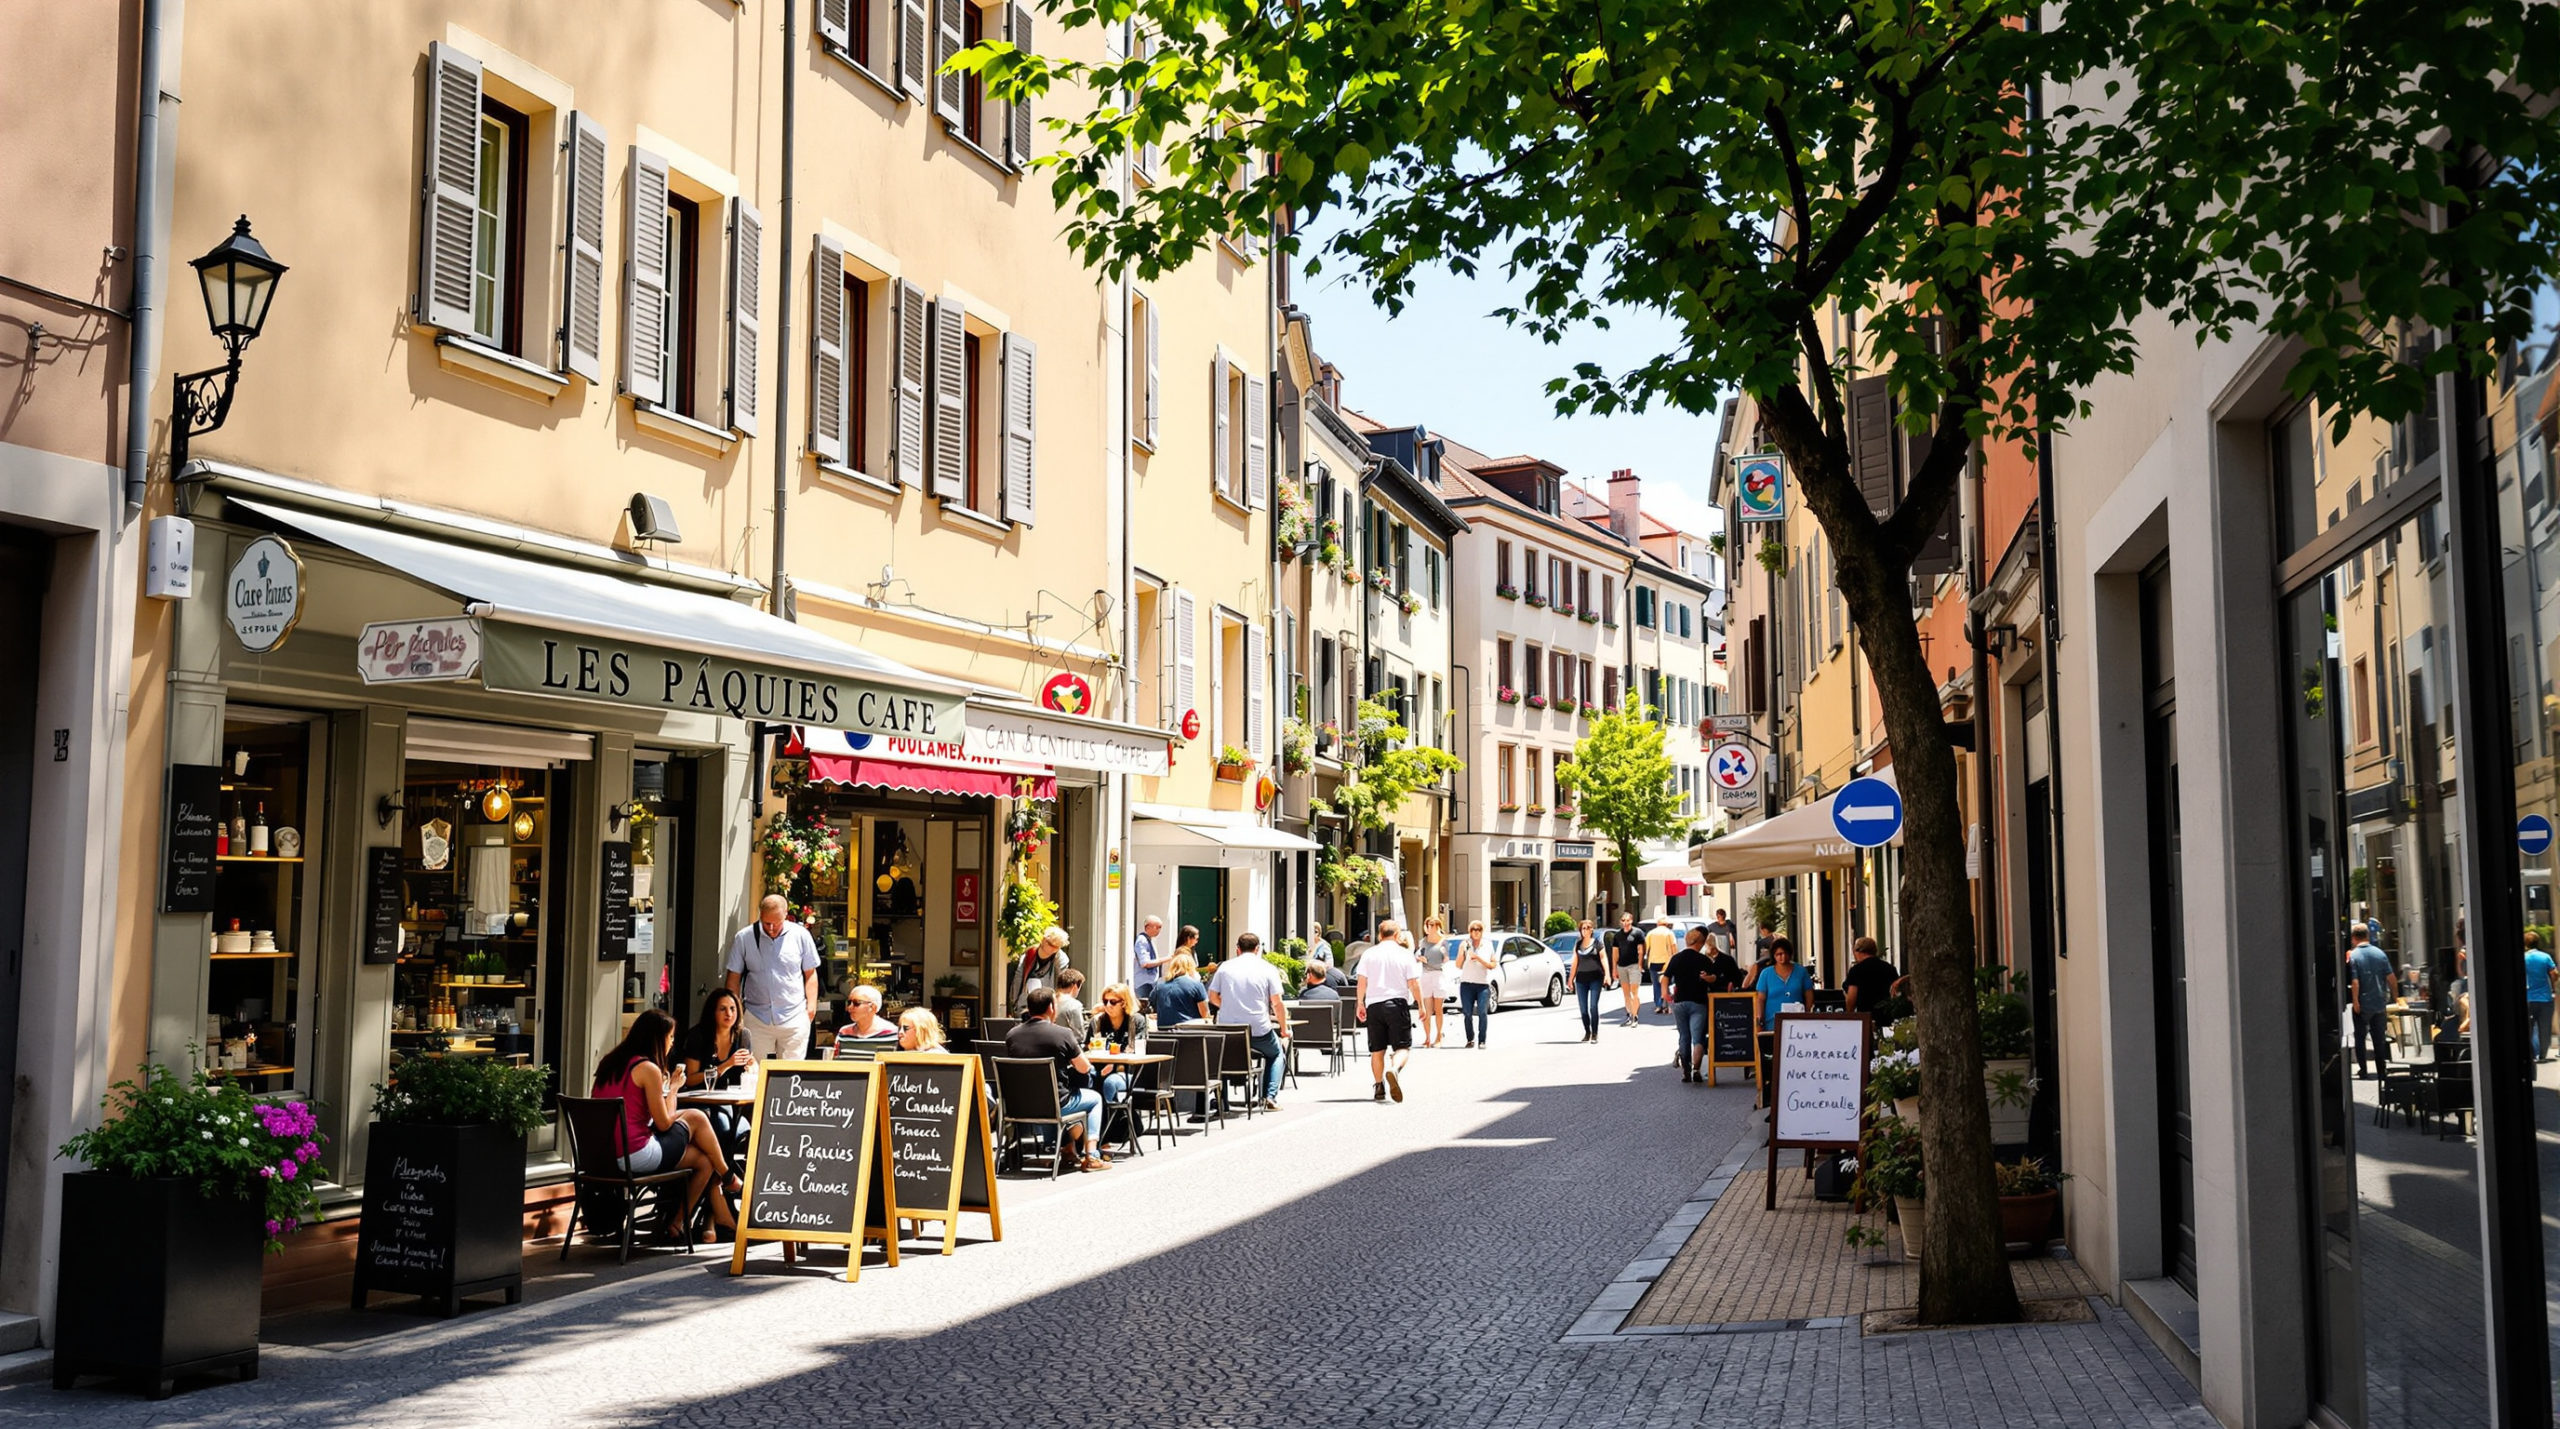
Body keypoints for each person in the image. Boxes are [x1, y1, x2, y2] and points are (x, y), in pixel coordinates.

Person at [592, 1009, 735, 1241]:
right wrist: (675, 1088)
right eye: (670, 1037)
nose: (672, 1043)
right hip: (635, 1155)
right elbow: (665, 1123)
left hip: (603, 1156)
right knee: (697, 1117)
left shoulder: (610, 1064)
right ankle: (728, 1177)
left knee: (703, 1160)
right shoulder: (648, 1069)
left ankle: (678, 1222)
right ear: (657, 1039)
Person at [1003, 988, 1110, 1171]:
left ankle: (1067, 1150)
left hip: (1018, 1106)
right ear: (1052, 1007)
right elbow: (1083, 1068)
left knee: (1049, 1096)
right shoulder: (1062, 1034)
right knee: (1094, 1099)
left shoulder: (1012, 1035)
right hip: (1055, 1104)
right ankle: (1091, 1155)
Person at [724, 894, 819, 1061]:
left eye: (776, 923)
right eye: (766, 923)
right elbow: (733, 977)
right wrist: (736, 1012)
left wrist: (811, 1008)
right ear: (760, 915)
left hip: (794, 1015)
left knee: (791, 1074)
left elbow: (810, 973)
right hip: (757, 1016)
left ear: (786, 915)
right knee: (755, 1073)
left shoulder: (801, 935)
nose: (771, 928)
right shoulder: (744, 937)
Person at [1207, 933, 1291, 1110]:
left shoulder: (1224, 968)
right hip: (1258, 1029)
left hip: (1228, 1030)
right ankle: (1269, 1096)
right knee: (1276, 1053)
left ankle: (1222, 1101)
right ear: (1258, 949)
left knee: (1220, 1059)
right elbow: (1277, 1002)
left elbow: (1212, 996)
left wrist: (1228, 1006)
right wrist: (1284, 1029)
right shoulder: (1267, 968)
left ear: (1237, 949)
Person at [676, 987, 754, 1164]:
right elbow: (690, 1078)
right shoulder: (699, 1036)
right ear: (713, 1012)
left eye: (733, 1009)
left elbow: (749, 1069)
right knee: (723, 1126)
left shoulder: (743, 1036)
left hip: (732, 1101)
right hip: (701, 1101)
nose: (729, 1014)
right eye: (723, 1009)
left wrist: (751, 1065)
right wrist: (725, 1065)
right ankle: (720, 1180)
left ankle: (730, 1179)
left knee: (751, 1124)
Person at [1355, 929, 1423, 1102]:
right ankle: (1394, 1068)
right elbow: (1413, 983)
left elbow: (1362, 980)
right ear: (1398, 935)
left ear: (1379, 935)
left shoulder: (1369, 954)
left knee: (1377, 1050)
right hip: (1397, 1003)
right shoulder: (1405, 954)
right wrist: (1421, 1005)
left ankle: (1379, 1086)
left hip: (1374, 1005)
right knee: (1402, 1047)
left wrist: (1360, 1003)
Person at [1664, 927, 1718, 1082]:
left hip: (1679, 1002)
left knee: (1684, 1036)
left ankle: (1685, 1070)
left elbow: (1665, 978)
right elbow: (1713, 978)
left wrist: (1665, 994)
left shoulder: (1676, 958)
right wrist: (1708, 978)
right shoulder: (1704, 960)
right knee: (1698, 1037)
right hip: (1698, 1002)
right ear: (1700, 943)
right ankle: (1696, 1069)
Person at [2347, 923, 2398, 1078]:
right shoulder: (2380, 954)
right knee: (2379, 1039)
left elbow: (2355, 982)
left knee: (2360, 1038)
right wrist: (2396, 997)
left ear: (2353, 938)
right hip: (2379, 1003)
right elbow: (2391, 978)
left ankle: (2364, 1070)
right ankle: (2381, 1070)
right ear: (2367, 936)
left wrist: (2355, 1002)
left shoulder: (2353, 956)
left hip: (2362, 1004)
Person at [1751, 936, 1813, 1033]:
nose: (1782, 957)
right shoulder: (1766, 973)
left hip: (1798, 1024)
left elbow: (1809, 995)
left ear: (1790, 953)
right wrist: (1759, 1021)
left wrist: (1808, 1016)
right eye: (1778, 954)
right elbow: (1760, 999)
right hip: (1772, 1024)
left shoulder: (1801, 971)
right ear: (1774, 955)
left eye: (1785, 953)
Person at [1453, 920, 1499, 1048]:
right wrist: (1462, 952)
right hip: (1466, 984)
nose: (1476, 932)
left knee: (1482, 1012)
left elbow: (1492, 965)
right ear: (1470, 932)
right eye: (1473, 930)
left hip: (1482, 985)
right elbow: (1458, 965)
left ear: (1482, 931)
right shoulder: (1465, 944)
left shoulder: (1488, 945)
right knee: (1467, 1012)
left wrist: (1478, 958)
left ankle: (1482, 1040)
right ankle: (1470, 1039)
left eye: (1478, 929)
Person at [1008, 925, 1072, 1016]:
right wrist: (1015, 1004)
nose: (1053, 949)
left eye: (1057, 947)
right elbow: (1018, 979)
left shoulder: (1061, 960)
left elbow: (1060, 985)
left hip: (1047, 1007)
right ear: (1043, 940)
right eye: (1051, 945)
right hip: (1025, 1006)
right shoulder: (1029, 954)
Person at [830, 984, 900, 1056]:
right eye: (849, 1003)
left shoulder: (892, 1034)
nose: (849, 1008)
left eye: (856, 1003)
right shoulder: (844, 1033)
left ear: (873, 1007)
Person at [1414, 916, 1450, 1048]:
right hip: (1425, 975)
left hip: (1438, 974)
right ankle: (1427, 1037)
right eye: (1429, 925)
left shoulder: (1443, 942)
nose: (1431, 928)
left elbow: (1445, 960)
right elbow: (1417, 955)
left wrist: (1430, 960)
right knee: (1427, 1009)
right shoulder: (1423, 941)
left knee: (1438, 1009)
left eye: (1434, 925)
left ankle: (1439, 1036)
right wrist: (1419, 958)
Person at [1568, 918, 1607, 1042]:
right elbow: (1575, 962)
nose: (1586, 931)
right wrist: (1570, 979)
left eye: (1588, 928)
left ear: (1592, 930)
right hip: (1581, 979)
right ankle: (1587, 1032)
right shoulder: (1578, 944)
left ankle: (1595, 1033)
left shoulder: (1597, 943)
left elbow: (1603, 959)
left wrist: (1607, 975)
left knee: (1593, 1006)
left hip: (1596, 978)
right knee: (1583, 1009)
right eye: (1583, 928)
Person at [1148, 949, 1211, 1025]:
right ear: (1190, 967)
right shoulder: (1197, 985)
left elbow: (1151, 1006)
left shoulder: (1159, 986)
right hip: (1189, 1031)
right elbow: (1205, 1014)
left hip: (1164, 1031)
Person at [1841, 936, 1900, 1018]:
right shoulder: (1890, 968)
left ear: (1859, 951)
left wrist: (1849, 1014)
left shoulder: (1856, 970)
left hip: (1865, 1016)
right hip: (1887, 1015)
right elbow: (1896, 991)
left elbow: (1852, 998)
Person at [1608, 912, 1648, 1026]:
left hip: (1634, 966)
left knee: (1634, 992)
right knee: (1626, 993)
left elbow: (1641, 951)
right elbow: (1615, 953)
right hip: (1621, 966)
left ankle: (1635, 1016)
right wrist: (1614, 969)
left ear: (1631, 921)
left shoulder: (1637, 933)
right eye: (1623, 921)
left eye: (1627, 920)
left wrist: (1640, 965)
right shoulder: (1618, 936)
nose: (1625, 923)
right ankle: (1629, 1015)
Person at [2529, 932, 2560, 1063]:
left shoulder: (2523, 957)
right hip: (2545, 998)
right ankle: (2542, 1054)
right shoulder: (2545, 957)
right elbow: (2555, 974)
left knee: (2529, 1028)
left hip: (2527, 998)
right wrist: (2553, 987)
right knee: (2545, 1027)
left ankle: (2531, 1054)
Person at [1645, 918, 1680, 1015]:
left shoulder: (1650, 933)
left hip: (1653, 962)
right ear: (1667, 924)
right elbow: (1674, 947)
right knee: (1667, 984)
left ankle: (1658, 1005)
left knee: (1656, 984)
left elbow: (1646, 948)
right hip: (1666, 962)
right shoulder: (1669, 933)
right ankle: (1667, 1006)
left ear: (1657, 924)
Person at [1131, 916, 1170, 1000]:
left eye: (1160, 927)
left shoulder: (1150, 940)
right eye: (1157, 927)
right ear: (1148, 927)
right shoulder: (1142, 940)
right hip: (1144, 983)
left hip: (1151, 982)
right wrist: (1167, 959)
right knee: (1145, 1007)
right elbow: (1145, 963)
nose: (1159, 930)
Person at [1054, 967, 1091, 1044]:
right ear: (1075, 986)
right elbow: (1080, 1036)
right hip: (1065, 1049)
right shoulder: (1073, 1005)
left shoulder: (1049, 1000)